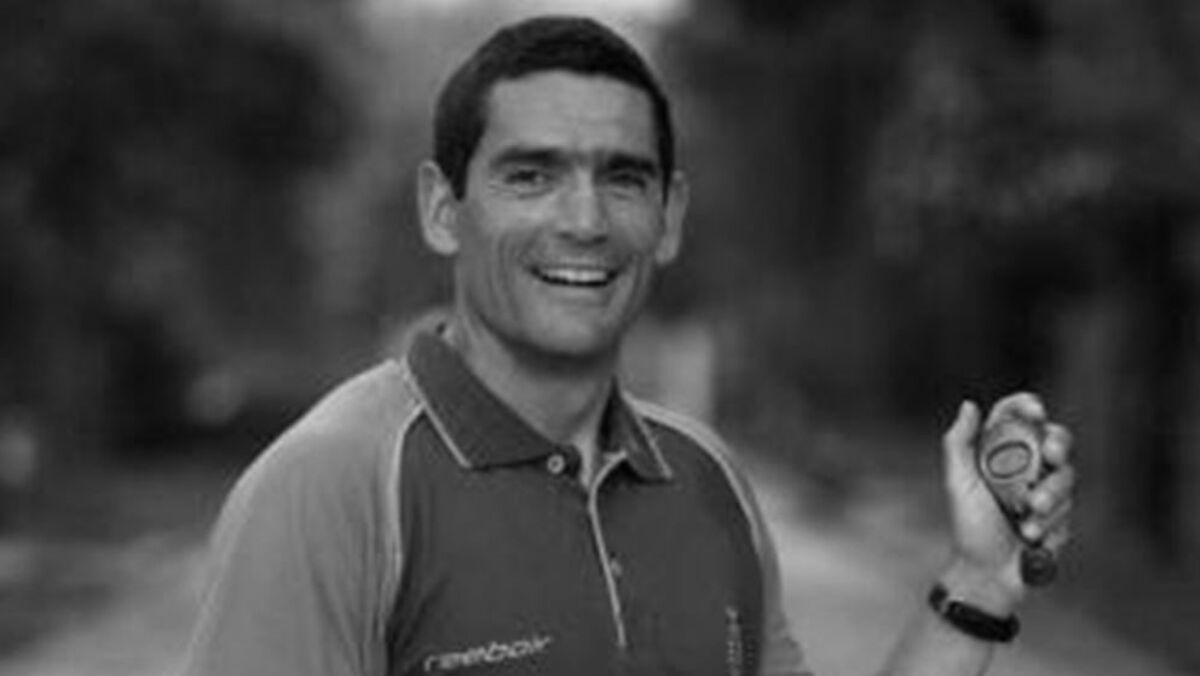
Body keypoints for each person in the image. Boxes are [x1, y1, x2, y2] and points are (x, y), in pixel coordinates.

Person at [181, 15, 1075, 676]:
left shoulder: (707, 480)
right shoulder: (330, 484)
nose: (584, 220)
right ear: (442, 210)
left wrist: (980, 580)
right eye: (531, 175)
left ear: (669, 217)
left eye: (623, 178)